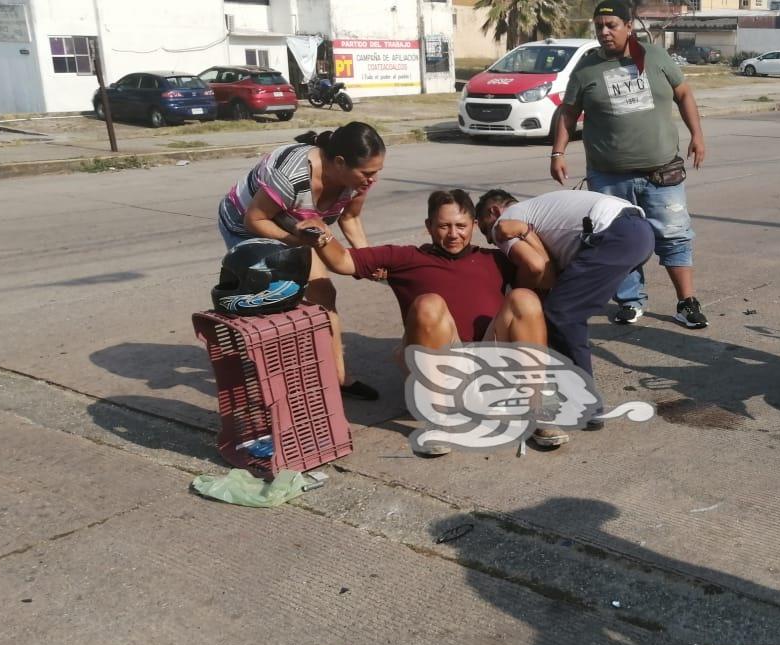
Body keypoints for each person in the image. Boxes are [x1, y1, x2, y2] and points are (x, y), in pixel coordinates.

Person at [303, 189, 568, 451]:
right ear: (429, 226)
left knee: (525, 298)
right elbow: (343, 261)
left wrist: (526, 233)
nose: (453, 234)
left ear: (474, 226)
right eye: (443, 226)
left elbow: (544, 275)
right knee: (429, 303)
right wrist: (323, 235)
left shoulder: (495, 259)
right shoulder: (406, 258)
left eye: (461, 226)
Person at [549, 0, 709, 330]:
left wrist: (697, 135)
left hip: (661, 171)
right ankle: (630, 301)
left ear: (628, 27)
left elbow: (684, 94)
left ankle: (686, 302)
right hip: (608, 175)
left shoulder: (656, 56)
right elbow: (568, 112)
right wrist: (557, 153)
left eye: (611, 25)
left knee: (675, 235)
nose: (604, 32)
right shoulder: (587, 69)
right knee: (617, 239)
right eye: (599, 27)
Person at [217, 121, 386, 400]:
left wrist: (367, 259)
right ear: (340, 163)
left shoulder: (357, 182)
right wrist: (297, 240)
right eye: (367, 173)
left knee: (323, 292)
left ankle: (338, 378)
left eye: (377, 172)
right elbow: (255, 219)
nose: (372, 179)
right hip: (247, 225)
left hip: (298, 225)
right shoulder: (292, 175)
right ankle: (271, 385)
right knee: (274, 299)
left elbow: (350, 218)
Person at [474, 189, 655, 418]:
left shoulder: (504, 223)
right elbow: (549, 271)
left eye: (484, 230)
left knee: (562, 314)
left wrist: (519, 296)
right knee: (562, 310)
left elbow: (536, 267)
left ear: (494, 211)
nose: (490, 239)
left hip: (613, 236)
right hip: (639, 231)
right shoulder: (538, 211)